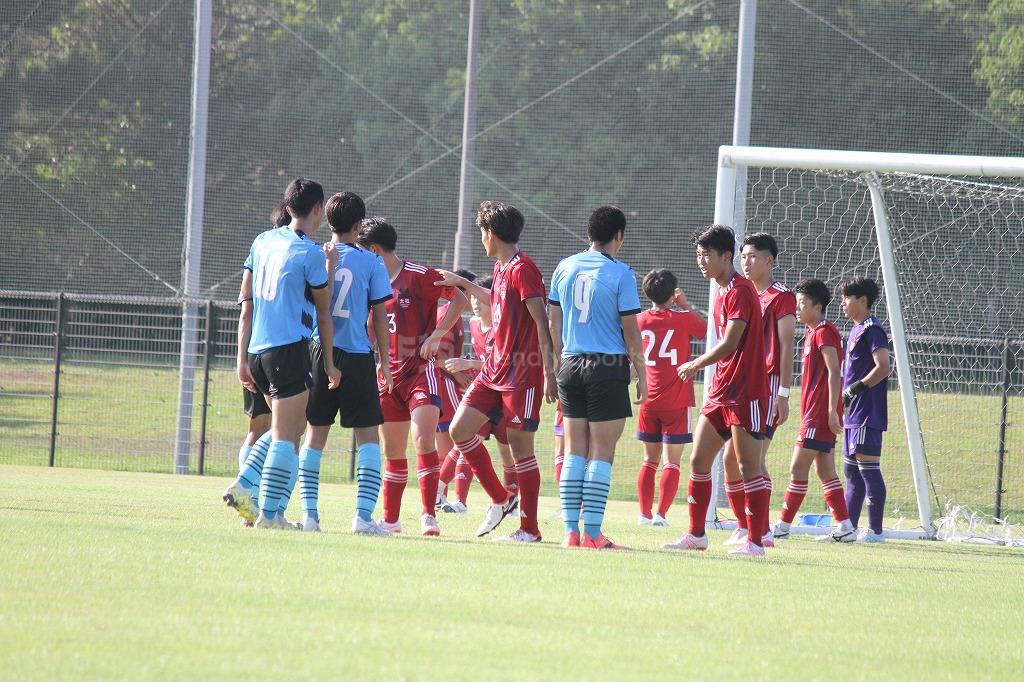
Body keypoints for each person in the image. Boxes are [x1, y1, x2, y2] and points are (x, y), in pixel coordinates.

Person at [434, 201, 557, 542]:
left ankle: (529, 530)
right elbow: (498, 298)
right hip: (493, 372)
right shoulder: (504, 269)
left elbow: (541, 323)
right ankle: (502, 499)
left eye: (482, 234)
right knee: (459, 429)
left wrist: (549, 372)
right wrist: (461, 281)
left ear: (492, 233)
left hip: (522, 376)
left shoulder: (524, 269)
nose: (482, 241)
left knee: (521, 451)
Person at [222, 178, 340, 530]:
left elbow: (247, 305)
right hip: (288, 349)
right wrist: (330, 362)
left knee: (286, 427)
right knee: (288, 435)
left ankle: (257, 500)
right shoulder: (310, 253)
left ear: (287, 208)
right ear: (318, 210)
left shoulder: (262, 241)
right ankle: (264, 508)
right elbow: (323, 309)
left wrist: (240, 357)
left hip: (257, 350)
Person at [664, 225, 771, 556]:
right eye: (698, 255)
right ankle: (697, 535)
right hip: (721, 392)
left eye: (707, 255)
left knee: (748, 465)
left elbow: (731, 342)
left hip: (746, 392)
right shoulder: (722, 290)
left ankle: (756, 540)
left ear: (727, 256)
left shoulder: (740, 290)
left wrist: (695, 364)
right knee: (698, 459)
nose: (701, 261)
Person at [357, 219, 468, 537]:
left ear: (375, 250)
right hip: (387, 377)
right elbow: (371, 326)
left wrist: (436, 335)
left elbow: (459, 299)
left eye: (365, 251)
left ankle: (428, 515)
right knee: (392, 451)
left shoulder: (419, 275)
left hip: (421, 374)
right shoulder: (371, 281)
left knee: (422, 440)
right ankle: (391, 520)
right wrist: (374, 358)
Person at [549, 205, 647, 550]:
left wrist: (555, 365)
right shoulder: (621, 274)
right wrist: (643, 376)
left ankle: (569, 533)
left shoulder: (564, 266)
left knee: (574, 451)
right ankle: (592, 533)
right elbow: (631, 333)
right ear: (618, 235)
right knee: (601, 452)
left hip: (570, 365)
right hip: (607, 366)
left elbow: (554, 323)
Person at [299, 193, 394, 535]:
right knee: (369, 439)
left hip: (317, 352)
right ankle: (363, 519)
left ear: (327, 221)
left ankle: (309, 516)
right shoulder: (371, 263)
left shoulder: (315, 253)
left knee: (314, 437)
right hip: (356, 357)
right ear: (359, 226)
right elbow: (380, 316)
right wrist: (383, 360)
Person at [722, 233, 797, 547]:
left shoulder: (781, 296)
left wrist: (783, 393)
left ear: (770, 260)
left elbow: (786, 345)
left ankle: (760, 532)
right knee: (731, 459)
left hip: (765, 386)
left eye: (753, 256)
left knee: (754, 459)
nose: (746, 262)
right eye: (744, 256)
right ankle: (747, 527)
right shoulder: (740, 293)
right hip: (741, 384)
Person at [772, 278, 856, 543]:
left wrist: (833, 411)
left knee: (798, 467)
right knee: (825, 471)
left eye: (802, 304)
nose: (797, 309)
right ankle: (845, 526)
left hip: (819, 414)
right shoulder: (812, 332)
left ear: (817, 306)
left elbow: (835, 372)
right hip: (816, 413)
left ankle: (782, 527)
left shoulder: (824, 331)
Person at [437, 275, 515, 513]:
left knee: (508, 454)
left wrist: (466, 363)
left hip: (505, 398)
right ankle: (444, 495)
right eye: (472, 297)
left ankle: (512, 502)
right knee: (462, 443)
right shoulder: (473, 325)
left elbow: (505, 363)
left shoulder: (504, 327)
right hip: (484, 396)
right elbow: (485, 361)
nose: (475, 302)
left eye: (481, 297)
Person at [634, 268, 706, 527]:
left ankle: (643, 514)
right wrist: (685, 306)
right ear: (673, 294)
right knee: (672, 463)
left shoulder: (640, 320)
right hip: (676, 401)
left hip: (648, 400)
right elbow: (705, 331)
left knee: (648, 460)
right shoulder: (683, 319)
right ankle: (661, 515)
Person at [839, 277, 891, 543]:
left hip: (866, 413)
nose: (842, 303)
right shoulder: (856, 329)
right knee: (851, 472)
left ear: (863, 301)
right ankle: (848, 528)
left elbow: (884, 366)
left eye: (847, 298)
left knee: (868, 470)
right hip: (853, 414)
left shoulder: (873, 329)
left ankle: (875, 531)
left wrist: (854, 389)